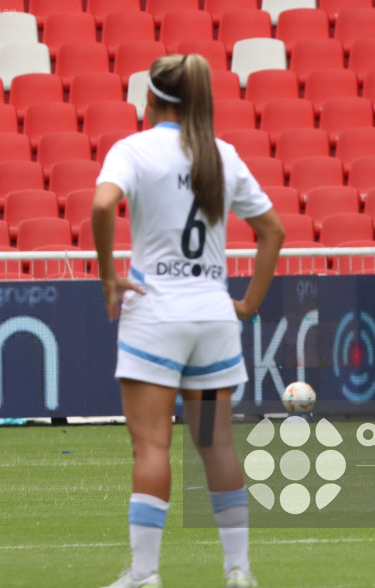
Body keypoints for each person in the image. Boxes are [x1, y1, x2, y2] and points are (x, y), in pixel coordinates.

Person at [92, 54, 285, 587]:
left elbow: (103, 205)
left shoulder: (132, 149)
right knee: (215, 445)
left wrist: (109, 277)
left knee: (152, 447)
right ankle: (239, 570)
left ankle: (146, 574)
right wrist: (248, 303)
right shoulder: (222, 154)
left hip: (155, 318)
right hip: (212, 320)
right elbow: (273, 231)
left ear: (149, 99)